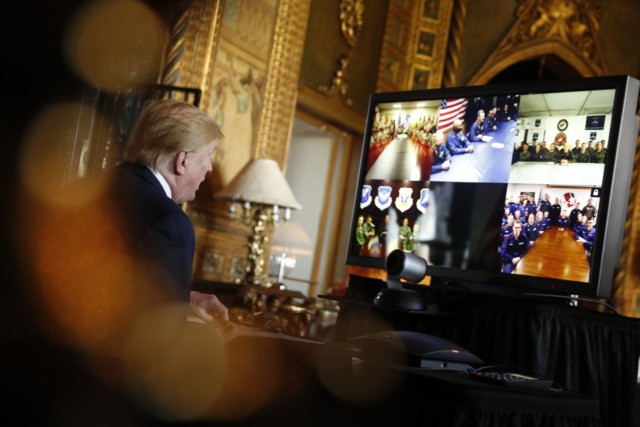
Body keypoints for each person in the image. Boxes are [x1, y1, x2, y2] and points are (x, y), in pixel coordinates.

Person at [109, 99, 230, 324]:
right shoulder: (168, 221)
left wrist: (184, 299)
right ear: (182, 161)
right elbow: (161, 336)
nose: (210, 168)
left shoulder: (86, 187)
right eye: (209, 155)